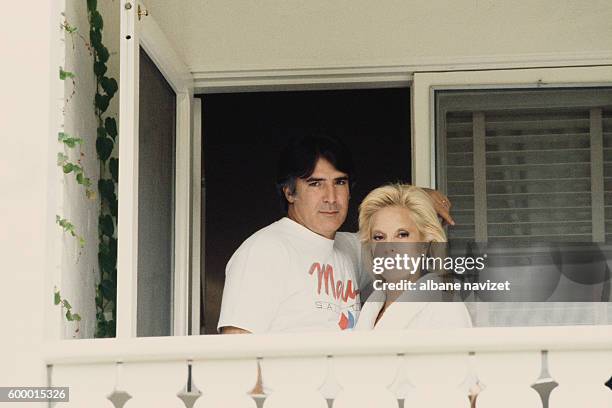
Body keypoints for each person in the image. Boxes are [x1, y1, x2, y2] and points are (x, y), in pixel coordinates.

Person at [218, 136, 455, 334]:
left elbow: (393, 234)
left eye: (339, 182)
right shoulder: (265, 250)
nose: (331, 197)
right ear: (289, 192)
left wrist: (419, 199)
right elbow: (236, 349)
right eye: (316, 183)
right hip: (289, 391)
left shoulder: (348, 249)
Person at [354, 183, 472, 330]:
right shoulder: (373, 305)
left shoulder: (445, 308)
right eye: (379, 237)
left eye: (402, 235)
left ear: (424, 244)